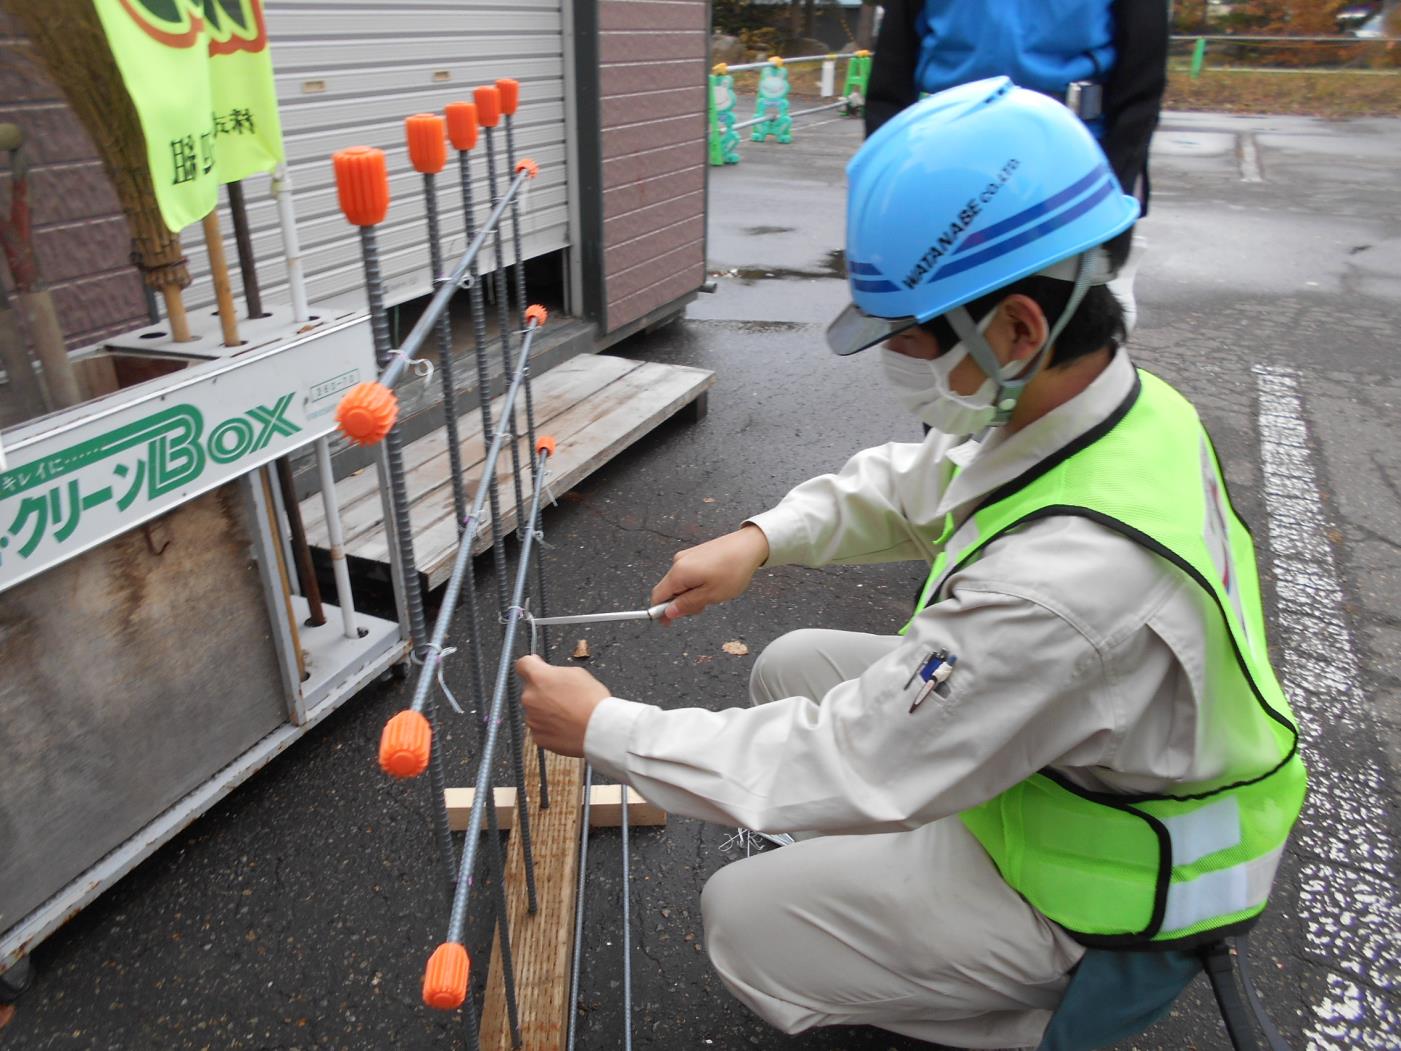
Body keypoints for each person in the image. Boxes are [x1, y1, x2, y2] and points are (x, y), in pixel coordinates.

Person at [517, 80, 1305, 1048]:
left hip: (1111, 879)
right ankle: (905, 883)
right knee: (793, 663)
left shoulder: (1062, 584)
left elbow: (851, 758)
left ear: (1017, 328)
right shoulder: (1104, 405)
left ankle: (1039, 1021)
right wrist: (760, 537)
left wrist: (606, 727)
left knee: (745, 917)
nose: (896, 357)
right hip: (1075, 756)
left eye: (912, 335)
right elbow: (920, 481)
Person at [864, 0, 1167, 332]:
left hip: (1068, 169)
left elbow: (1140, 91)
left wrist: (1109, 204)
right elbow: (888, 89)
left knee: (1067, 326)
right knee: (940, 328)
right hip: (949, 166)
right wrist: (889, 198)